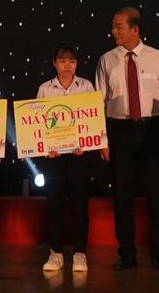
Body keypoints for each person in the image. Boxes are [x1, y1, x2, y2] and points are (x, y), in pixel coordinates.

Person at [95, 7, 159, 270]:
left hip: (151, 129)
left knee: (156, 195)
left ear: (135, 29)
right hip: (119, 130)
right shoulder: (106, 60)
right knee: (122, 196)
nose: (113, 31)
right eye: (113, 26)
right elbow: (98, 102)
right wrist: (102, 140)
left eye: (118, 26)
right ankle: (126, 254)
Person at [37, 43, 96, 274]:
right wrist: (47, 146)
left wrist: (86, 143)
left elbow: (93, 118)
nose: (67, 65)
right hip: (54, 158)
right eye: (62, 61)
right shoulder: (45, 89)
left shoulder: (86, 86)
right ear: (54, 63)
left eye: (71, 61)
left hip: (79, 157)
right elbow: (38, 122)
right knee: (55, 205)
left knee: (80, 205)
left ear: (76, 64)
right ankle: (56, 253)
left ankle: (80, 253)